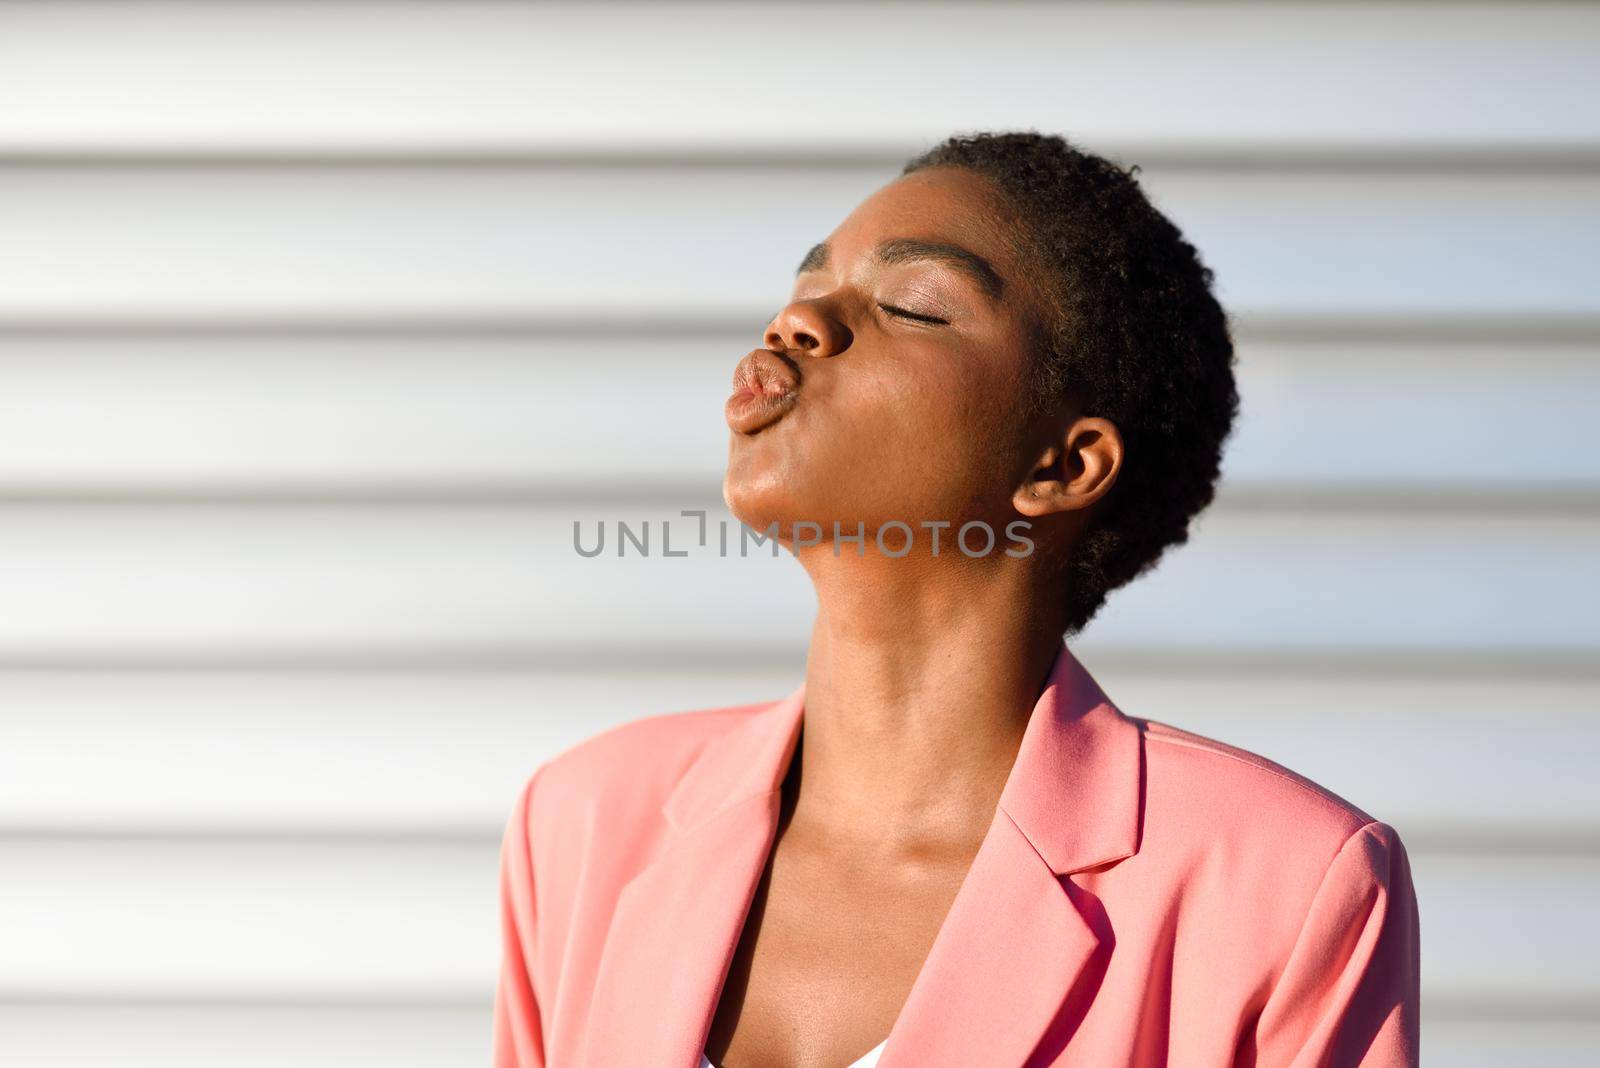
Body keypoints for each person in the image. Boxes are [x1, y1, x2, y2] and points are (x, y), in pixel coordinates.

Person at [493, 131, 1420, 1067]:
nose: (802, 320)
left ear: (1063, 464)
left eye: (911, 305)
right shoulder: (582, 821)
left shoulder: (1287, 886)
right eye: (805, 286)